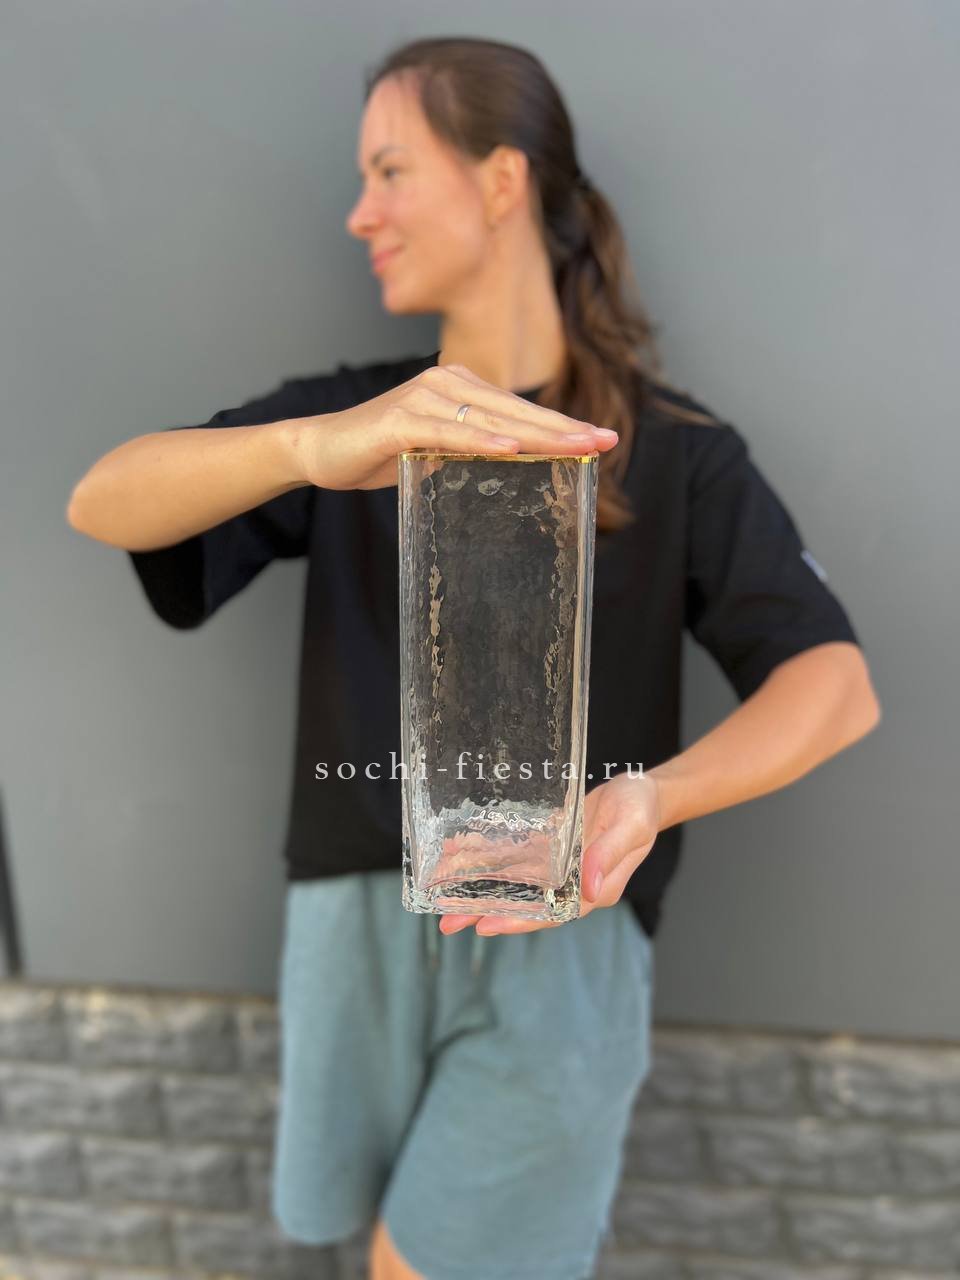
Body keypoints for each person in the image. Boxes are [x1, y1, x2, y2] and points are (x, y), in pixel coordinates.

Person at [66, 35, 881, 1280]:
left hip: (560, 930)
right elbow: (103, 501)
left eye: (390, 171)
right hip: (349, 921)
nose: (360, 213)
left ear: (501, 179)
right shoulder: (357, 423)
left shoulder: (675, 451)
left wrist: (655, 794)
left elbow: (834, 682)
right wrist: (310, 447)